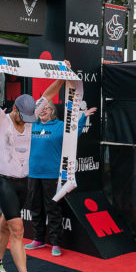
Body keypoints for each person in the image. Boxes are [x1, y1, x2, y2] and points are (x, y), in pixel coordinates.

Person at [0, 53, 44, 272]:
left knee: (5, 225)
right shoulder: (1, 119)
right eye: (23, 116)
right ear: (15, 109)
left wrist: (63, 73)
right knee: (18, 230)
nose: (26, 121)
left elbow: (48, 96)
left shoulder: (29, 117)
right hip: (5, 183)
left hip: (23, 183)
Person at [25, 74, 97, 257]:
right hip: (33, 173)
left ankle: (56, 242)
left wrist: (83, 118)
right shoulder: (31, 126)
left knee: (53, 209)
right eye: (41, 109)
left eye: (46, 109)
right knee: (35, 207)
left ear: (52, 111)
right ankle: (38, 239)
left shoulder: (59, 126)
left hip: (51, 175)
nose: (43, 111)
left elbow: (74, 133)